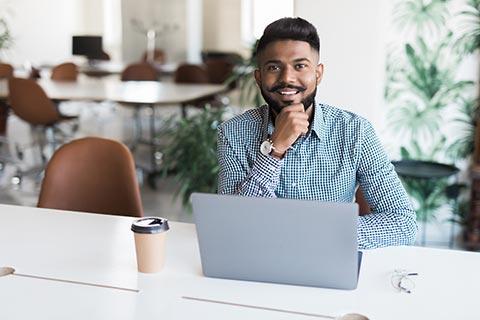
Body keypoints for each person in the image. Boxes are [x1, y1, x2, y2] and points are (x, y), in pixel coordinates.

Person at [217, 17, 417, 249]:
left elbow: (403, 223)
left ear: (318, 74)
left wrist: (317, 237)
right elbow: (232, 225)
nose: (287, 78)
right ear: (259, 77)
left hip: (329, 259)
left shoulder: (355, 131)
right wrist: (274, 149)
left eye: (300, 66)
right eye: (274, 67)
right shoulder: (232, 133)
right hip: (257, 260)